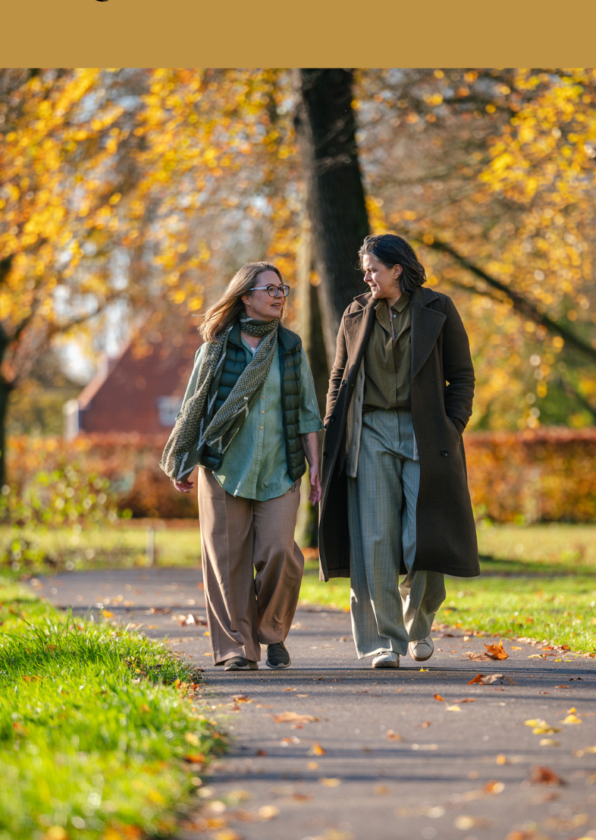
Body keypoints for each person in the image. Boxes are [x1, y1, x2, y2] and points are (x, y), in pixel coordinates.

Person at [318, 234, 478, 668]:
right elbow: (338, 379)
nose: (366, 276)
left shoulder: (438, 309)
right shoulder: (354, 312)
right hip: (368, 431)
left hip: (425, 432)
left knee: (424, 534)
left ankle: (418, 622)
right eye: (364, 269)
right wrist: (333, 434)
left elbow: (462, 376)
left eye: (373, 268)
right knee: (374, 539)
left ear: (397, 270)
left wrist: (451, 426)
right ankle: (382, 643)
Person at [160, 262, 322, 671]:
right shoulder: (214, 348)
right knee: (226, 560)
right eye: (269, 289)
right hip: (223, 468)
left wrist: (315, 465)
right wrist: (184, 460)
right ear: (245, 296)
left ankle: (272, 632)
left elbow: (306, 413)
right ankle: (237, 649)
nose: (279, 295)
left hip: (281, 468)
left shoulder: (290, 346)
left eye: (282, 288)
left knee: (280, 554)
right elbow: (191, 408)